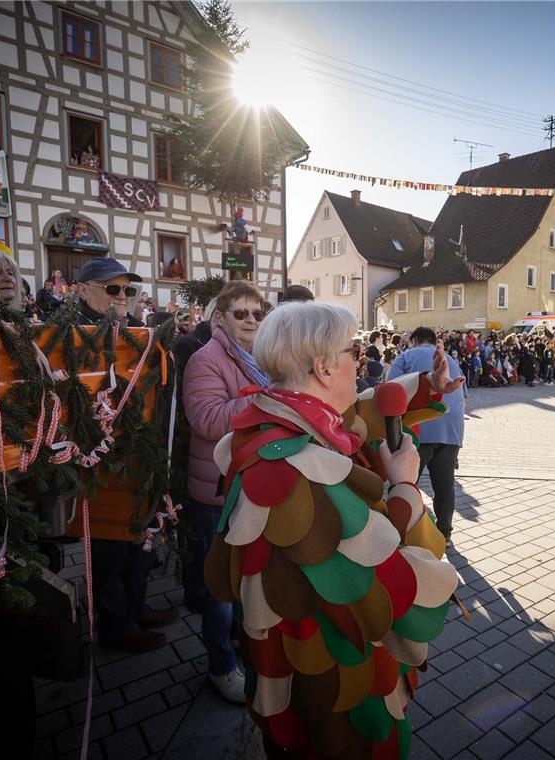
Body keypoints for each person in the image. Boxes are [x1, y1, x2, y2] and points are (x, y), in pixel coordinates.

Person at [206, 301, 458, 757]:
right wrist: (403, 485)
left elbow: (357, 412)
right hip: (336, 682)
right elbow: (381, 579)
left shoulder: (283, 416)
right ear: (324, 367)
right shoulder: (293, 466)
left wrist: (423, 386)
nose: (359, 364)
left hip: (309, 672)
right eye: (353, 353)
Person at [70, 257, 179, 652]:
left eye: (127, 290)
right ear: (82, 290)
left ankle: (137, 609)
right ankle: (116, 628)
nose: (122, 296)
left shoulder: (136, 333)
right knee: (109, 551)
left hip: (137, 454)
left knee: (138, 543)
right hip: (98, 461)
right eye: (111, 288)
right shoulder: (70, 331)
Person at [182, 281, 272, 704]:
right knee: (219, 587)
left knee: (243, 579)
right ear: (220, 318)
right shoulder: (206, 359)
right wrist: (265, 399)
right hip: (214, 491)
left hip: (248, 485)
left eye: (257, 313)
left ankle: (239, 645)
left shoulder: (259, 358)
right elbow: (207, 420)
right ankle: (220, 667)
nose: (252, 320)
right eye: (241, 313)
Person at [388, 326, 466, 544]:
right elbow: (463, 395)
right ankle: (445, 534)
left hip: (418, 430)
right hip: (450, 431)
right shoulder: (450, 359)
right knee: (444, 486)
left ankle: (402, 533)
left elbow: (389, 390)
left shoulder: (405, 356)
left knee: (405, 483)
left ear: (413, 341)